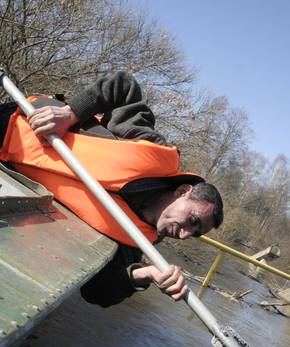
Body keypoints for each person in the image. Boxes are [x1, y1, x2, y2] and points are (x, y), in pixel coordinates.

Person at [0, 72, 223, 307]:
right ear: (183, 191)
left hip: (7, 170)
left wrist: (145, 274)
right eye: (193, 220)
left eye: (194, 234)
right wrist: (70, 113)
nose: (185, 234)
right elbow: (124, 86)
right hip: (14, 123)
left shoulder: (134, 243)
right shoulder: (151, 148)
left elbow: (96, 293)